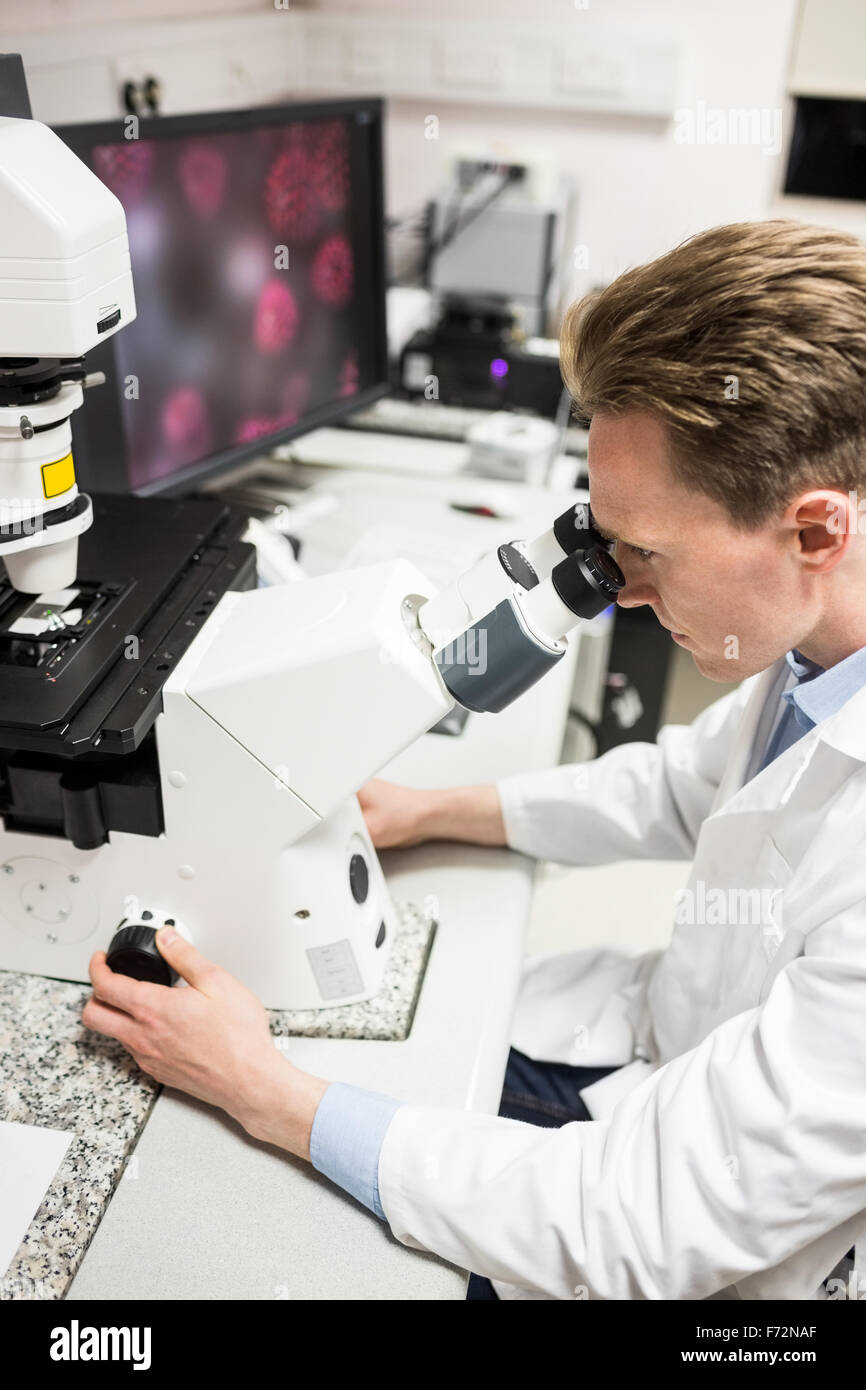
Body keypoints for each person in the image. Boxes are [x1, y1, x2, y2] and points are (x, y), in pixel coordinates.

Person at [84, 220, 866, 1300]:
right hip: (661, 1059)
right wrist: (427, 809)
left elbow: (635, 1221)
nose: (620, 591)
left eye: (646, 552)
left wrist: (262, 1088)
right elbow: (682, 787)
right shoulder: (818, 648)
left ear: (814, 531)